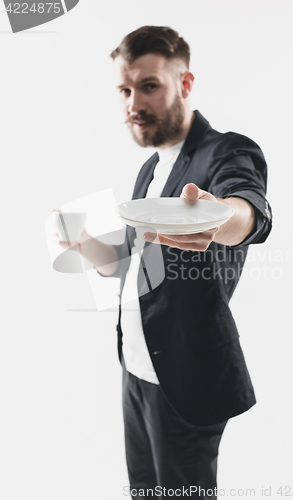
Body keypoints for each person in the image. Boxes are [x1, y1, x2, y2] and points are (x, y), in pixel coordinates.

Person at [55, 26, 272, 500]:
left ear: (185, 85)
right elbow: (143, 265)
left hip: (187, 378)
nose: (135, 104)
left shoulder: (227, 150)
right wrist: (89, 247)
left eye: (149, 86)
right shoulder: (151, 168)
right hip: (136, 367)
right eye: (125, 90)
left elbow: (249, 208)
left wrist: (219, 220)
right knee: (144, 493)